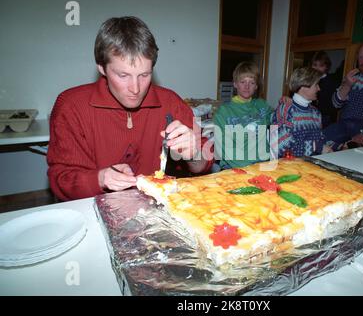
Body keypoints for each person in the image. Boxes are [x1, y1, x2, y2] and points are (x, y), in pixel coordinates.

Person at [47, 16, 213, 201]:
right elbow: (61, 179)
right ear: (102, 67)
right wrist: (100, 178)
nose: (135, 88)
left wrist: (194, 155)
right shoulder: (71, 106)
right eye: (123, 75)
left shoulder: (171, 102)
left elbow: (204, 163)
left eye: (144, 75)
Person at [213, 61, 272, 169]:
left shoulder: (262, 105)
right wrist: (249, 168)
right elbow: (225, 147)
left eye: (252, 82)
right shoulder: (224, 112)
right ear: (235, 84)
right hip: (237, 167)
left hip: (264, 164)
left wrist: (285, 103)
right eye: (243, 82)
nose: (247, 86)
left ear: (256, 86)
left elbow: (280, 119)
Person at [271, 67, 332, 158]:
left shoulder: (316, 113)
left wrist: (335, 145)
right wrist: (316, 147)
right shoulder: (286, 110)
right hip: (289, 167)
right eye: (316, 85)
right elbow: (277, 147)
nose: (319, 88)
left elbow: (320, 140)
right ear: (304, 86)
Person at [310, 51, 339, 128]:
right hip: (310, 115)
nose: (317, 68)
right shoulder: (309, 79)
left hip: (325, 117)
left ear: (326, 66)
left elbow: (333, 105)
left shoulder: (331, 82)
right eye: (315, 65)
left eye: (321, 65)